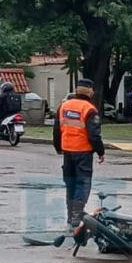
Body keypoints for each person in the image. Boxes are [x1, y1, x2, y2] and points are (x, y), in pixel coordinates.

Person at [53, 78, 105, 227]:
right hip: (83, 153)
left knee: (71, 184)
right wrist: (100, 151)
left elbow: (56, 130)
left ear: (76, 90)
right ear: (90, 92)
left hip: (67, 152)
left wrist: (58, 147)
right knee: (83, 184)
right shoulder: (89, 109)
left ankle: (71, 217)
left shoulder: (63, 106)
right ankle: (77, 216)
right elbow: (94, 135)